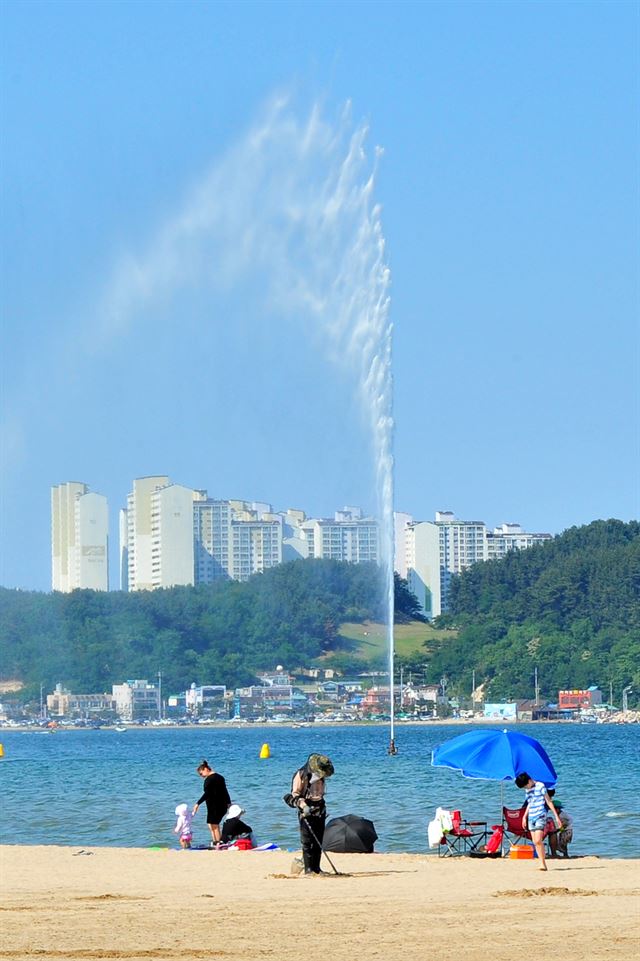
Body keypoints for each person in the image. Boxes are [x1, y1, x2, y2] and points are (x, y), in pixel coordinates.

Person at [284, 753, 334, 875]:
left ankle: (317, 868)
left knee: (318, 840)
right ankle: (308, 869)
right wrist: (304, 806)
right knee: (307, 841)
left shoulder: (321, 776)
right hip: (305, 809)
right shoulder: (301, 775)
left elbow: (320, 794)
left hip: (320, 808)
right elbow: (295, 794)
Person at [515, 772, 562, 871]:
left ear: (529, 781)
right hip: (531, 816)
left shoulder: (540, 786)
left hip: (540, 815)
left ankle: (543, 864)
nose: (525, 788)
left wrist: (556, 816)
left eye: (525, 786)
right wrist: (524, 816)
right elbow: (529, 803)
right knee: (535, 842)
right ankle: (541, 863)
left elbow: (548, 801)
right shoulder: (528, 790)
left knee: (537, 840)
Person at [192, 759, 231, 848]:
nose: (201, 776)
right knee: (211, 824)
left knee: (214, 825)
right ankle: (216, 842)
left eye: (201, 774)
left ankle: (218, 844)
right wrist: (229, 803)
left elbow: (207, 793)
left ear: (206, 769)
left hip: (214, 805)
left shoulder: (209, 780)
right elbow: (225, 791)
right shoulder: (220, 777)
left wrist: (197, 803)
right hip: (221, 804)